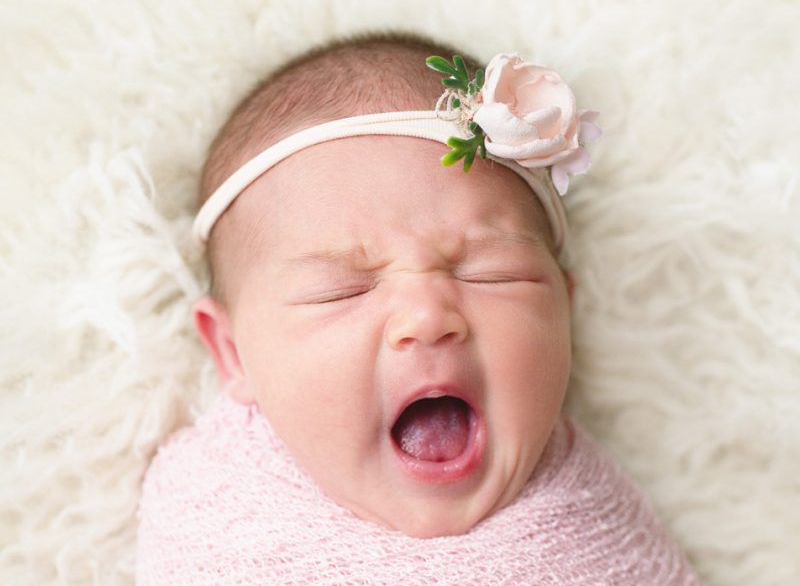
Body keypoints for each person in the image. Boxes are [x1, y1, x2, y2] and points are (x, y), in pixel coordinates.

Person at [136, 32, 701, 584]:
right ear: (233, 353)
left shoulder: (594, 523)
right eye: (344, 289)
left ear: (563, 317)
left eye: (490, 272)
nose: (427, 317)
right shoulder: (215, 512)